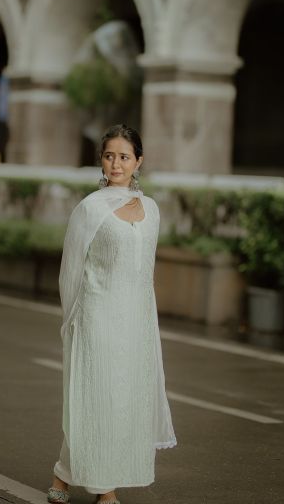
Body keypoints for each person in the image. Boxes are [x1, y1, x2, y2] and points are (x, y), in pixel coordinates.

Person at [47, 124, 177, 504]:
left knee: (122, 403)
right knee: (99, 399)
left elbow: (145, 274)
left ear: (139, 161)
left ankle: (62, 475)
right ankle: (106, 491)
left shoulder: (151, 210)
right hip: (97, 320)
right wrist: (71, 321)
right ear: (101, 161)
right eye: (109, 156)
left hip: (136, 322)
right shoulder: (89, 208)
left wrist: (147, 322)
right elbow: (70, 271)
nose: (116, 164)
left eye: (123, 156)